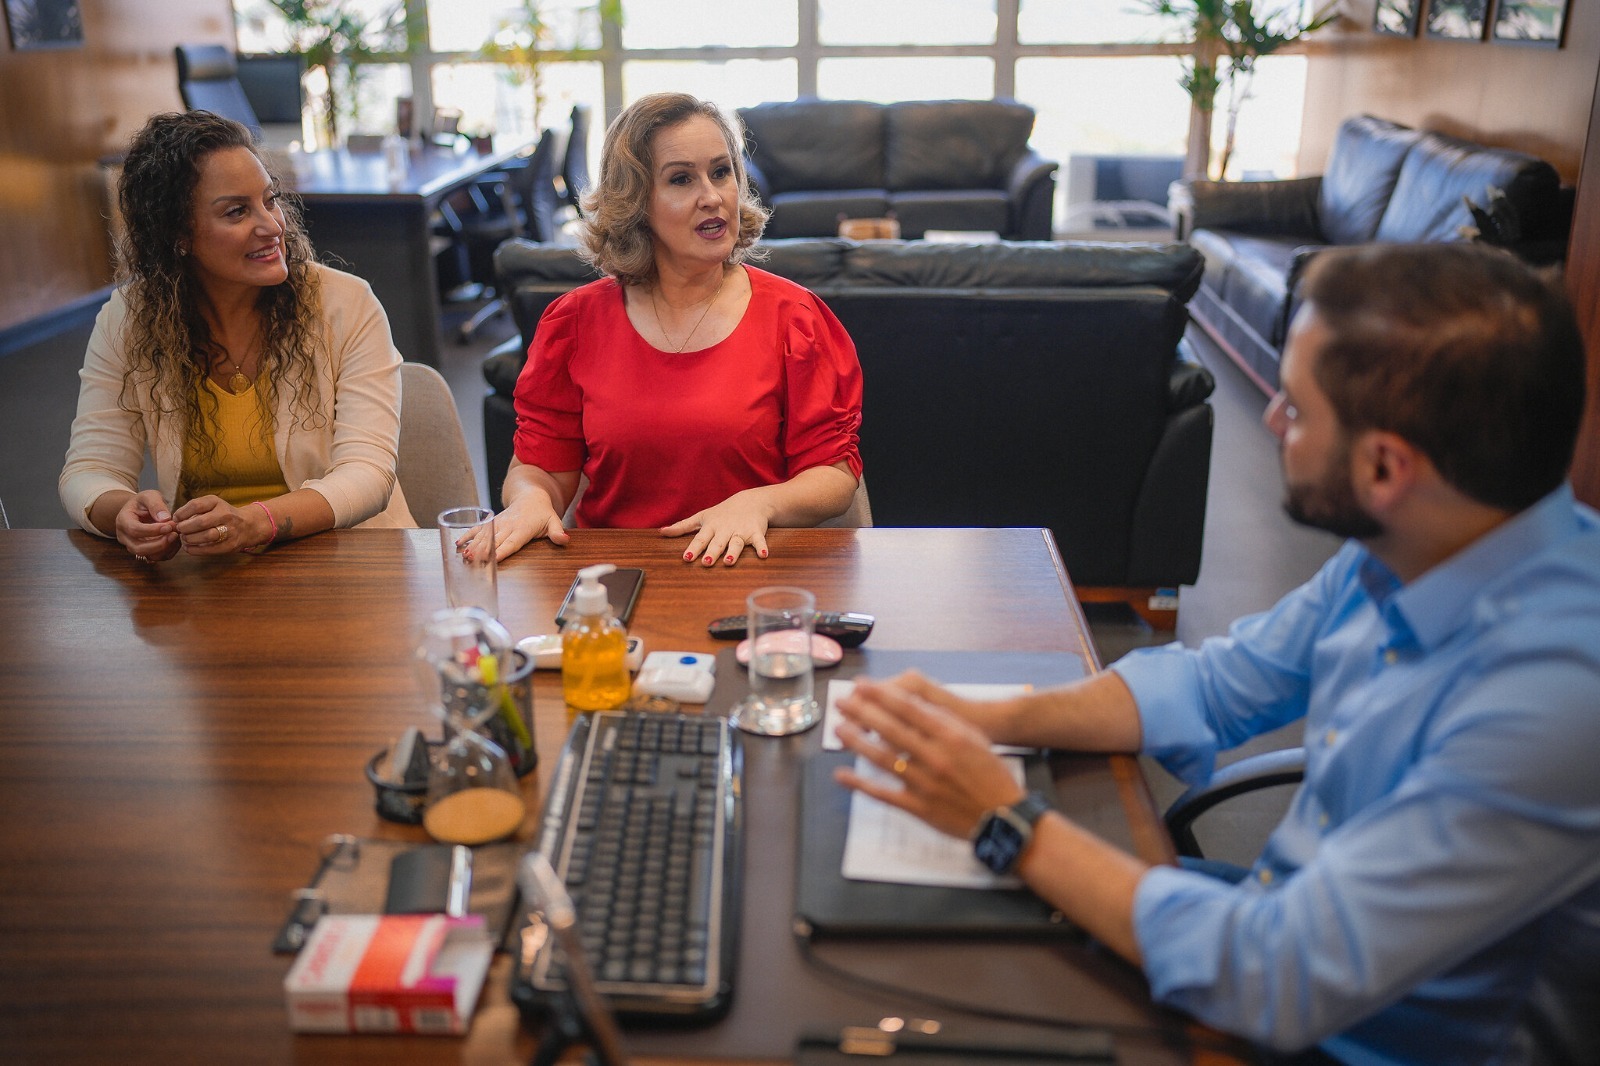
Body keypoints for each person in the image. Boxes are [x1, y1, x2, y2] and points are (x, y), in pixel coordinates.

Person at [835, 243, 1600, 1064]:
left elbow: (1277, 975)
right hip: (1278, 921)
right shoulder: (1411, 540)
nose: (1270, 419)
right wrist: (988, 718)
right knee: (898, 942)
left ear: (1385, 467)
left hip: (1345, 1026)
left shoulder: (1557, 693)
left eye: (1297, 410)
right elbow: (1211, 683)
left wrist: (1008, 819)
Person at [490, 92, 862, 565]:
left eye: (721, 172)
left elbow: (834, 475)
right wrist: (531, 500)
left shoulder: (795, 318)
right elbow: (541, 467)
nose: (712, 196)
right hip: (615, 583)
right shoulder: (575, 323)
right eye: (681, 179)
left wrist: (761, 502)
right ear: (636, 203)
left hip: (748, 571)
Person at [60, 111, 412, 562]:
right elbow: (88, 470)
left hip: (347, 562)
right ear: (178, 234)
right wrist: (121, 512)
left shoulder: (345, 304)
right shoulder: (128, 320)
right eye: (237, 211)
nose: (272, 225)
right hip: (212, 573)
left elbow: (368, 474)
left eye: (270, 200)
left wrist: (257, 522)